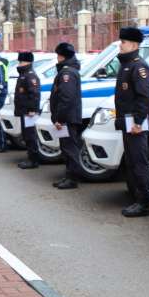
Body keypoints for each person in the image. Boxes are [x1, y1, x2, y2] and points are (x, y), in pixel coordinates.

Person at [113, 26, 149, 217]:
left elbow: (144, 96)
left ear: (134, 44)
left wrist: (138, 121)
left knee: (138, 162)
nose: (120, 45)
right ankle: (136, 196)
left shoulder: (139, 66)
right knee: (131, 161)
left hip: (136, 124)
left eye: (123, 42)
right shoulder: (126, 65)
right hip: (128, 122)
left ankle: (143, 202)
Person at [49, 42, 83, 189]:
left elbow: (66, 98)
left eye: (58, 55)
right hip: (67, 117)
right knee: (66, 148)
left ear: (62, 56)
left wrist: (60, 119)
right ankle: (69, 176)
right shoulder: (67, 71)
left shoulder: (67, 73)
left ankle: (73, 179)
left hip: (67, 118)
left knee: (70, 149)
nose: (57, 58)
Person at [14, 51, 42, 169]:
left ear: (28, 62)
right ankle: (30, 157)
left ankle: (33, 160)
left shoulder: (30, 75)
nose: (19, 64)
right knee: (26, 135)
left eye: (21, 61)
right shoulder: (24, 74)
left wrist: (32, 109)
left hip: (29, 112)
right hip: (24, 110)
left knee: (30, 136)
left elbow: (35, 94)